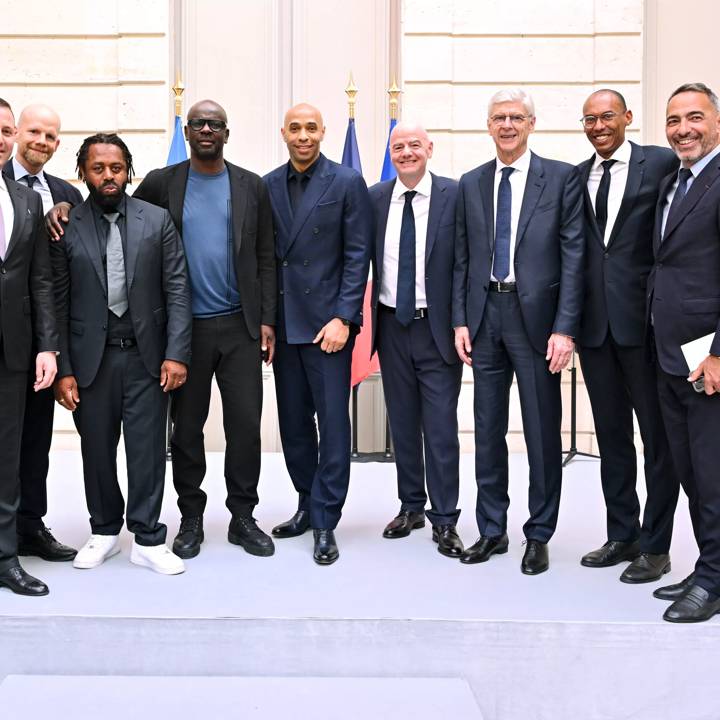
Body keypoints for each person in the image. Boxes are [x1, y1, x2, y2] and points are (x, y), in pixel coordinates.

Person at [78, 101, 276, 560]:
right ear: (186, 132)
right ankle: (191, 516)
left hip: (241, 327)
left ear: (227, 133)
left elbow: (266, 255)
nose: (207, 129)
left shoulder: (251, 185)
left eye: (216, 124)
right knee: (186, 430)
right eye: (198, 123)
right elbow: (112, 212)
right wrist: (65, 209)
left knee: (245, 426)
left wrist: (266, 319)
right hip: (184, 330)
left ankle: (243, 516)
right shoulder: (162, 183)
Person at [452, 88, 584, 574]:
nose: (507, 125)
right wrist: (460, 319)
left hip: (539, 325)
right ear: (488, 126)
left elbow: (575, 256)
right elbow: (462, 256)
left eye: (515, 117)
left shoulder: (561, 178)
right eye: (498, 117)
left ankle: (539, 534)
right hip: (486, 318)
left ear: (532, 124)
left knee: (542, 432)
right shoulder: (471, 182)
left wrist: (565, 328)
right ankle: (491, 530)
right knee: (487, 430)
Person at [51, 133, 191, 575]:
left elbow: (178, 290)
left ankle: (148, 538)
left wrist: (177, 354)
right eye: (98, 168)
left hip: (147, 358)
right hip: (90, 360)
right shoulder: (66, 224)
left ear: (128, 170)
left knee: (148, 450)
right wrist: (63, 369)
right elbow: (56, 300)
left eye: (116, 168)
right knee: (96, 449)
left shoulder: (157, 220)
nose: (108, 176)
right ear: (84, 173)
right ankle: (105, 530)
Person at [575, 89, 680, 583]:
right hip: (596, 331)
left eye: (607, 117)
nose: (599, 126)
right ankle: (623, 534)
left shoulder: (659, 162)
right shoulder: (579, 176)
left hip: (645, 327)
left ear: (628, 118)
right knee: (612, 438)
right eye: (590, 119)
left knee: (658, 442)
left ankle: (657, 547)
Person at [264, 103, 372, 565]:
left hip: (329, 328)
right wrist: (267, 322)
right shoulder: (267, 185)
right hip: (286, 326)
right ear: (282, 132)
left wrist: (344, 318)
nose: (304, 136)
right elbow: (266, 259)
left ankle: (326, 518)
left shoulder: (346, 182)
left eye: (311, 128)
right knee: (293, 426)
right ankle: (307, 502)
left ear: (324, 132)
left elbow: (357, 255)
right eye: (295, 128)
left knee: (331, 425)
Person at [368, 121, 463, 558]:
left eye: (413, 145)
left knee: (440, 429)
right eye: (397, 146)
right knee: (402, 423)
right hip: (391, 324)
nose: (405, 152)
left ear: (430, 148)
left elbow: (466, 264)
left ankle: (445, 519)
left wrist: (463, 323)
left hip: (436, 328)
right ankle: (411, 507)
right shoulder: (375, 198)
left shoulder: (454, 195)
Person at [649, 83, 720, 622]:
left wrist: (719, 353)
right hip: (669, 353)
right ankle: (708, 565)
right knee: (691, 471)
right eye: (674, 120)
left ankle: (715, 581)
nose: (683, 128)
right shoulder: (675, 180)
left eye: (694, 117)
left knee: (713, 472)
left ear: (716, 121)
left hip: (707, 359)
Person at [2, 104, 82, 563]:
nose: (42, 141)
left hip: (41, 339)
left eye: (51, 136)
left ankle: (30, 526)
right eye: (33, 131)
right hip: (5, 335)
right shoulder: (4, 182)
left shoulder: (62, 192)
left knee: (35, 440)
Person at [0, 98, 58, 596]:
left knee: (14, 451)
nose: (2, 138)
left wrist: (47, 345)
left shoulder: (31, 200)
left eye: (4, 129)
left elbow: (40, 279)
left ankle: (9, 551)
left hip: (15, 348)